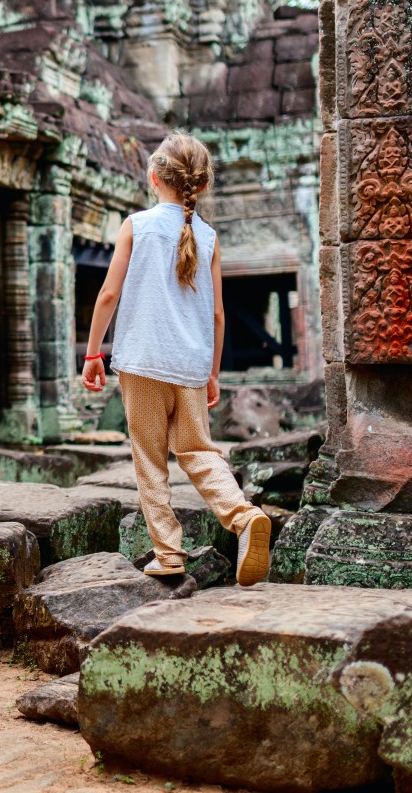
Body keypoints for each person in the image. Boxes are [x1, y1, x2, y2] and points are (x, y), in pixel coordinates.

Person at [81, 132, 271, 586]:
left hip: (143, 363)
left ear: (153, 178)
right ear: (200, 186)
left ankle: (168, 553)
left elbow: (109, 294)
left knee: (149, 457)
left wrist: (93, 353)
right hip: (189, 366)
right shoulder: (208, 237)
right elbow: (219, 314)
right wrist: (212, 373)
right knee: (199, 451)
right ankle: (243, 516)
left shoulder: (137, 225)